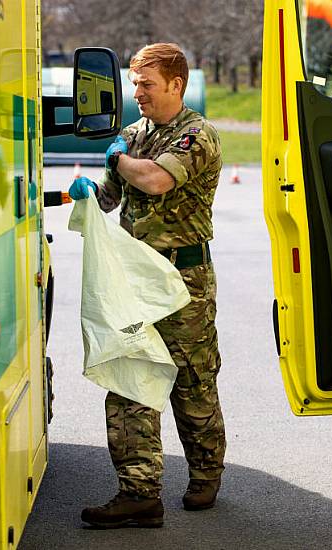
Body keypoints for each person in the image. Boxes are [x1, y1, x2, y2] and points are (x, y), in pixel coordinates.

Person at [68, 42, 225, 529]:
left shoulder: (197, 135)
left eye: (147, 84)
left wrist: (116, 162)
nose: (137, 93)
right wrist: (90, 192)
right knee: (130, 378)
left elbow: (155, 180)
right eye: (134, 83)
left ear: (176, 85)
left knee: (191, 381)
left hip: (184, 280)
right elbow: (114, 197)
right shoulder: (134, 135)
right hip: (136, 280)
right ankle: (139, 492)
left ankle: (205, 474)